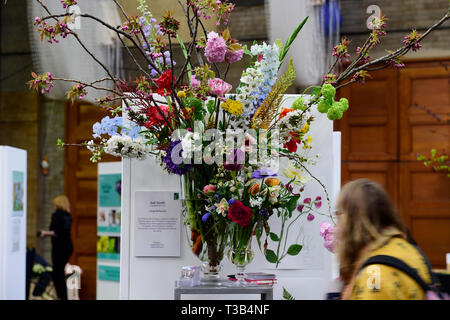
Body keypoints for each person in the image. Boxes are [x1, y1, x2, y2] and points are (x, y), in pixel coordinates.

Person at [335, 179, 432, 300]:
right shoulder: (409, 250)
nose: (336, 226)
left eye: (339, 216)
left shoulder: (374, 275)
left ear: (351, 222)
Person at [40, 195, 74, 300]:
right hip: (68, 246)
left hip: (59, 247)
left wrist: (44, 233)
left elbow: (55, 232)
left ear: (58, 204)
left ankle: (62, 296)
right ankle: (63, 296)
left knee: (57, 274)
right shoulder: (68, 215)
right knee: (59, 273)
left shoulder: (56, 214)